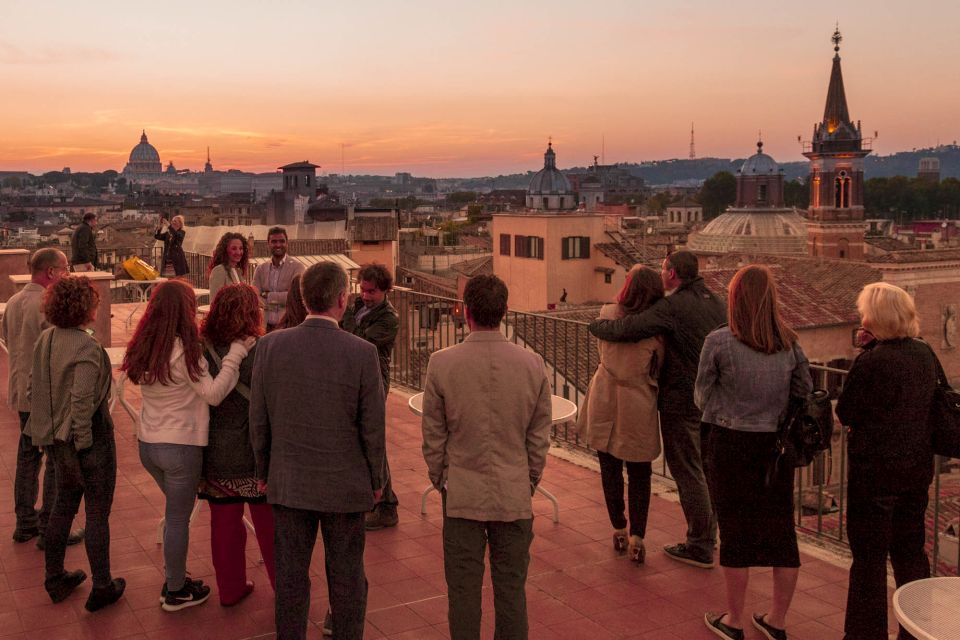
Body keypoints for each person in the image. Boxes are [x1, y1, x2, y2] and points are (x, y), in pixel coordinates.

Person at [250, 262, 385, 640]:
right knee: (347, 578)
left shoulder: (269, 346)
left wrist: (262, 472)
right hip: (345, 486)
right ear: (343, 299)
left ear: (303, 298)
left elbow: (258, 419)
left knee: (291, 579)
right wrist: (378, 481)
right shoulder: (363, 353)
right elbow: (373, 428)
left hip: (289, 483)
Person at [421, 274, 552, 640]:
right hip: (513, 492)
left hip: (461, 490)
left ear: (465, 312)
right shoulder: (532, 364)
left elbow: (433, 433)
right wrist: (529, 478)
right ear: (505, 311)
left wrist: (441, 476)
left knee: (463, 591)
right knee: (511, 591)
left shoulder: (442, 363)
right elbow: (539, 433)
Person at [121, 279, 253, 612]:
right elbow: (213, 393)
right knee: (178, 519)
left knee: (175, 516)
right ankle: (176, 590)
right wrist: (236, 355)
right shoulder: (183, 350)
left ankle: (176, 578)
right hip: (180, 447)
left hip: (148, 445)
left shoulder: (144, 346)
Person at [696, 265, 812, 640]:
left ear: (734, 299)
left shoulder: (719, 342)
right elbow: (804, 391)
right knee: (782, 534)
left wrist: (724, 407)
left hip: (730, 445)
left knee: (734, 533)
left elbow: (701, 395)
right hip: (775, 450)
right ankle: (776, 622)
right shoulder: (791, 343)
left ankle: (733, 621)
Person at [589, 250, 725, 568]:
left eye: (665, 269)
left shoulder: (672, 307)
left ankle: (700, 545)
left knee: (687, 471)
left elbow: (628, 328)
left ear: (673, 273)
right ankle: (707, 537)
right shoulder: (716, 302)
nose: (663, 275)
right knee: (705, 470)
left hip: (682, 398)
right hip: (713, 397)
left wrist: (596, 327)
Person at [836, 282, 936, 640]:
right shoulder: (924, 354)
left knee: (869, 560)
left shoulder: (873, 361)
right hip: (916, 470)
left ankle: (865, 635)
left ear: (875, 318)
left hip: (875, 475)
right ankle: (917, 631)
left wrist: (863, 354)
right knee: (911, 554)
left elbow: (847, 412)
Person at [26, 276, 126, 611]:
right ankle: (102, 586)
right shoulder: (86, 346)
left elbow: (33, 390)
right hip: (89, 441)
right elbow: (83, 401)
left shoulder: (45, 339)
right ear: (85, 308)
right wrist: (82, 443)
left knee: (62, 508)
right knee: (97, 514)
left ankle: (55, 579)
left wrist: (55, 440)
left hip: (56, 441)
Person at [577, 265, 664, 563]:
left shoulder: (607, 313)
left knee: (609, 467)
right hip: (637, 399)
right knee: (640, 472)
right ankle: (638, 535)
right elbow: (660, 366)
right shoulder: (656, 328)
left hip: (605, 394)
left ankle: (618, 528)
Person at [198, 283, 276, 606]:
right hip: (255, 453)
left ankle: (230, 589)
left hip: (217, 451)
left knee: (224, 527)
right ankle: (284, 586)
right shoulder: (263, 350)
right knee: (270, 528)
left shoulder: (202, 350)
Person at [3, 249, 83, 549]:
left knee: (27, 456)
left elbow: (8, 342)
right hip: (45, 395)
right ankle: (50, 525)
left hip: (20, 393)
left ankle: (25, 522)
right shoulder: (47, 305)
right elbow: (58, 351)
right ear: (51, 272)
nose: (67, 273)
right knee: (54, 460)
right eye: (65, 268)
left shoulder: (12, 302)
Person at [340, 263, 400, 530]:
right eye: (362, 290)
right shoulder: (358, 307)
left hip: (376, 380)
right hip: (356, 377)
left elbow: (357, 343)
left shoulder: (389, 318)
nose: (365, 295)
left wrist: (348, 320)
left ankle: (387, 505)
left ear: (386, 291)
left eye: (371, 291)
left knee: (373, 440)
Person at [253, 227, 305, 331]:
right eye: (274, 241)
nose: (278, 245)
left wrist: (267, 295)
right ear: (268, 244)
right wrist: (283, 297)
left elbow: (295, 297)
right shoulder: (260, 269)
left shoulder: (298, 267)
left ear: (287, 243)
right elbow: (254, 297)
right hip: (264, 327)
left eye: (282, 241)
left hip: (288, 327)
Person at [207, 232, 249, 301]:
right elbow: (214, 302)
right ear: (225, 250)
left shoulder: (238, 271)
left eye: (241, 248)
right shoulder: (219, 271)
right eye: (234, 248)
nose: (238, 252)